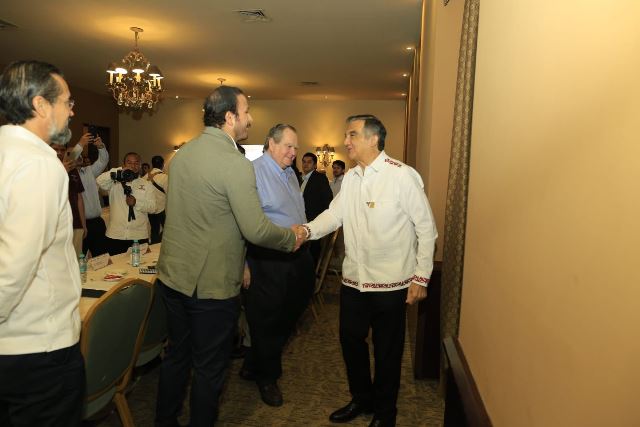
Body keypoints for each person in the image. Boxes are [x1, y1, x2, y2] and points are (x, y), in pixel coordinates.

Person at [154, 86, 304, 427]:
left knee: (176, 357)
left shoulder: (182, 156)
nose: (250, 118)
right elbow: (256, 230)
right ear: (229, 117)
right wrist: (291, 237)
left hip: (173, 278)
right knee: (209, 369)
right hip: (211, 285)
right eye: (246, 111)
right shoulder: (236, 164)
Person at [298, 115, 438, 427]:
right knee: (350, 342)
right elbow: (333, 215)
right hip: (353, 282)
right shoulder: (351, 178)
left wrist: (421, 277)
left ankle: (386, 414)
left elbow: (426, 229)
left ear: (373, 139)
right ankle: (362, 399)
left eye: (352, 135)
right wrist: (306, 231)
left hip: (391, 285)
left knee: (387, 352)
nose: (345, 141)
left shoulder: (402, 176)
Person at [0, 60, 85, 426]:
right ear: (40, 105)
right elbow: (15, 264)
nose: (71, 110)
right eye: (66, 101)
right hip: (39, 347)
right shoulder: (39, 163)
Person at [241, 124, 315, 407]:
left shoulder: (290, 173)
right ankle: (267, 377)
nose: (293, 152)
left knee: (293, 308)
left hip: (297, 256)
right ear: (271, 143)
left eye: (296, 147)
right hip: (267, 259)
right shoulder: (252, 173)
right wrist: (243, 264)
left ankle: (253, 362)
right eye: (288, 146)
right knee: (266, 319)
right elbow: (241, 223)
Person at [96, 152, 156, 255]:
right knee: (115, 265)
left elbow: (153, 208)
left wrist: (136, 202)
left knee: (139, 264)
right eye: (129, 163)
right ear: (124, 165)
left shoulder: (147, 184)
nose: (133, 166)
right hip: (115, 235)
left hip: (139, 235)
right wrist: (119, 171)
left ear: (140, 165)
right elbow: (99, 181)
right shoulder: (114, 182)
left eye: (136, 163)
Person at [50, 142, 86, 256]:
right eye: (55, 149)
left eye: (62, 150)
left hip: (76, 223)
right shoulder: (45, 169)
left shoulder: (73, 169)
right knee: (59, 260)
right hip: (56, 226)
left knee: (77, 259)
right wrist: (63, 171)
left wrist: (83, 224)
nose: (59, 153)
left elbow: (79, 198)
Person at [78, 133, 110, 257]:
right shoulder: (64, 174)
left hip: (96, 223)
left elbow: (103, 161)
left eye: (80, 155)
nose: (78, 157)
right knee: (78, 259)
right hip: (77, 225)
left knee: (102, 258)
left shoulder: (88, 172)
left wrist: (101, 147)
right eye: (76, 154)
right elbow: (70, 159)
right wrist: (80, 144)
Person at [300, 152, 333, 263]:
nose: (305, 164)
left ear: (315, 165)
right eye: (304, 162)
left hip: (314, 220)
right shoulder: (300, 179)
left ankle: (312, 271)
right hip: (301, 219)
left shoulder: (320, 178)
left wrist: (321, 219)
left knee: (312, 251)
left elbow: (327, 199)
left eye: (309, 162)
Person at [147, 155, 168, 244]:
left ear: (152, 164)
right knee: (167, 229)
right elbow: (170, 193)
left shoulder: (144, 177)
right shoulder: (165, 177)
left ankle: (154, 246)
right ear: (163, 164)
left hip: (150, 209)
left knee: (154, 230)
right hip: (163, 209)